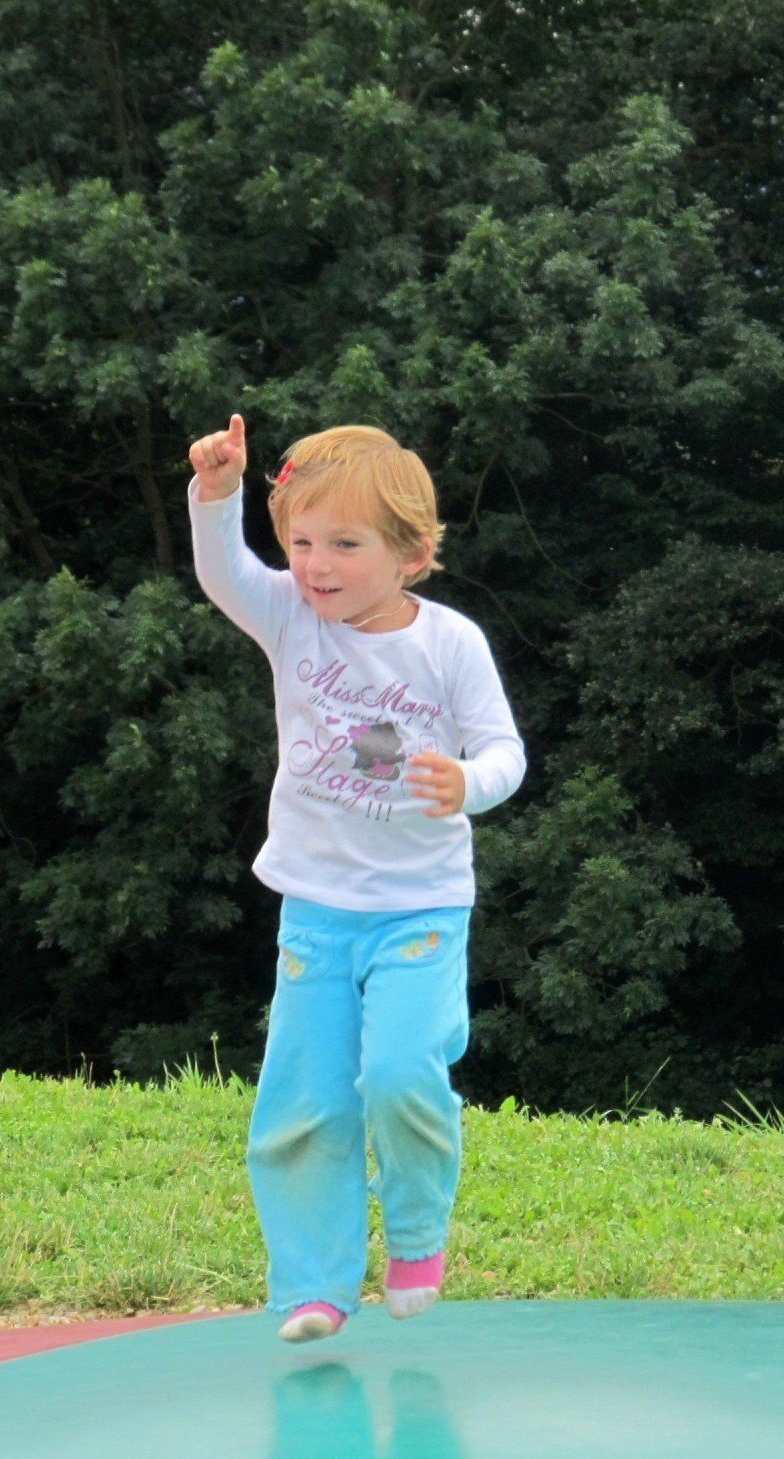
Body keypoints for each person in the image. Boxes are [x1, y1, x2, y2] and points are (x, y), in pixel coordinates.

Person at [188, 415, 526, 1343]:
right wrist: (218, 495)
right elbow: (225, 574)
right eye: (299, 542)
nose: (314, 564)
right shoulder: (291, 617)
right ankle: (313, 1285)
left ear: (413, 553)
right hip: (316, 914)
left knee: (401, 1077)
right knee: (302, 1102)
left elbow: (505, 751)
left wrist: (467, 784)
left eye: (343, 544)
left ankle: (416, 1238)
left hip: (419, 911)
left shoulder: (448, 645)